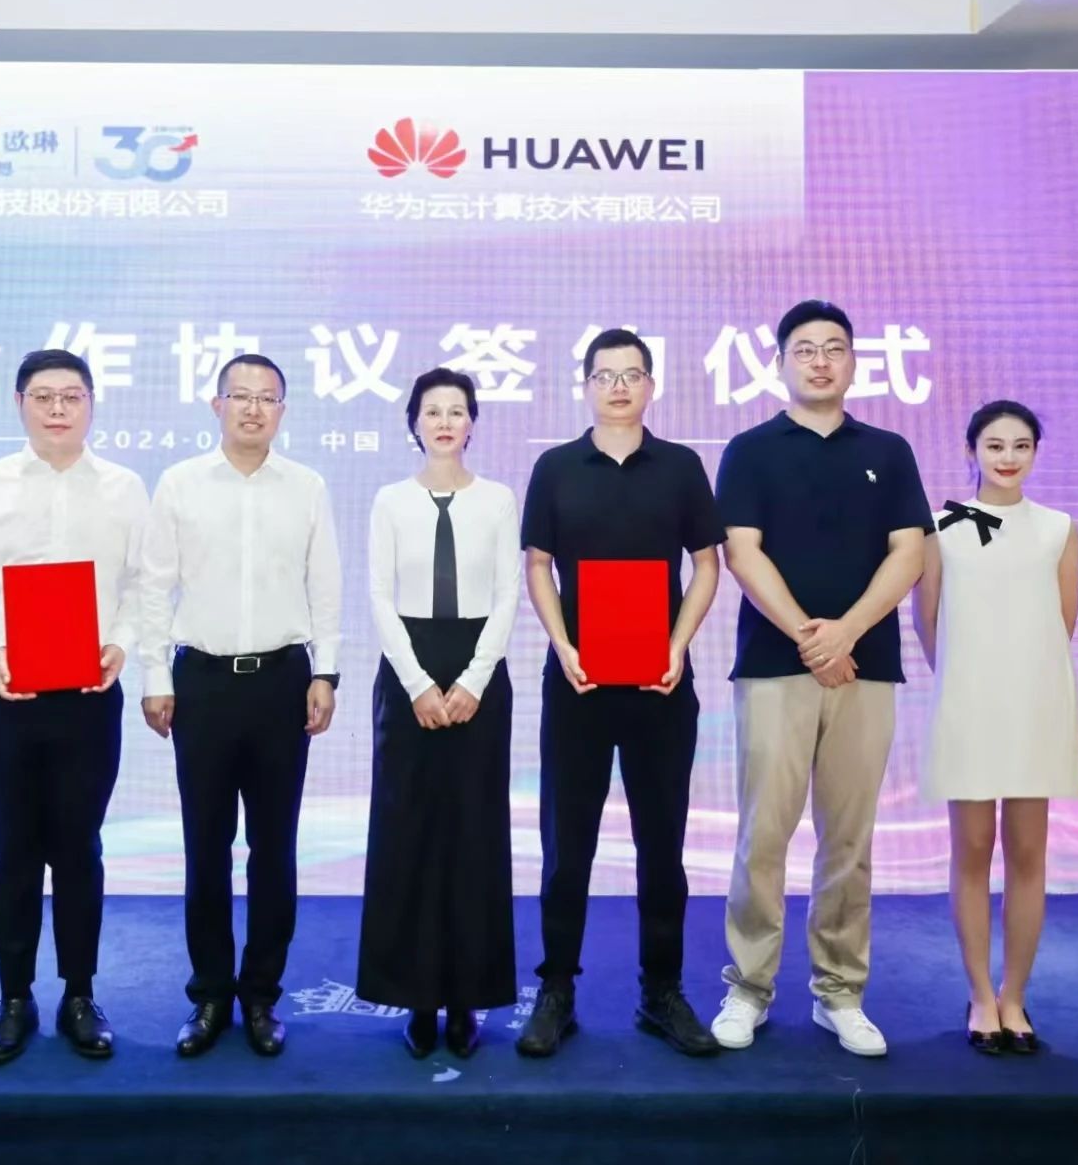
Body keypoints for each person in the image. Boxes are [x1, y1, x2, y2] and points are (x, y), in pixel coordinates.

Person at [709, 299, 932, 1059]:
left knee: (849, 839)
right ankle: (748, 986)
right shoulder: (750, 450)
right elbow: (742, 552)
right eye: (805, 349)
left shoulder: (889, 451)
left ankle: (840, 992)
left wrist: (847, 633)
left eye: (834, 348)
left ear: (853, 362)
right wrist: (812, 636)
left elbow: (909, 552)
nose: (820, 361)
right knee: (762, 835)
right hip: (775, 666)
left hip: (865, 668)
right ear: (781, 363)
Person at [0, 349, 148, 1064]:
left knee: (80, 847)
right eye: (44, 396)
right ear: (19, 403)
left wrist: (120, 642)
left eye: (72, 396)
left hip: (90, 695)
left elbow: (146, 580)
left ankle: (80, 993)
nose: (58, 409)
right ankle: (14, 996)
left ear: (92, 404)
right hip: (8, 691)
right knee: (14, 847)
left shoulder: (124, 487)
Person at [516, 329, 725, 1060]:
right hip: (577, 682)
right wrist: (562, 643)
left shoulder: (681, 466)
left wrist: (678, 644)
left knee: (661, 845)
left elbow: (707, 564)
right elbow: (538, 565)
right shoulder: (555, 467)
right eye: (604, 375)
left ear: (651, 386)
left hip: (660, 683)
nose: (618, 387)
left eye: (631, 374)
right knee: (565, 845)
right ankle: (556, 989)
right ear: (585, 386)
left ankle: (661, 991)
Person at [138, 353, 342, 1059]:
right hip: (202, 682)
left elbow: (325, 587)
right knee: (206, 846)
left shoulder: (307, 486)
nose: (254, 408)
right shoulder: (180, 483)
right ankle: (210, 994)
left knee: (274, 848)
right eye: (241, 396)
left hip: (283, 680)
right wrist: (155, 675)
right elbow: (153, 586)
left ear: (283, 410)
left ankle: (260, 994)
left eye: (268, 398)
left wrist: (327, 672)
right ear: (216, 405)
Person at [357, 368, 519, 1059]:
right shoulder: (390, 500)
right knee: (410, 833)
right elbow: (378, 595)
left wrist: (474, 681)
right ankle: (418, 996)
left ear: (472, 422)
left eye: (457, 411)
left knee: (474, 835)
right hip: (408, 672)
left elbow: (508, 594)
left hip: (479, 671)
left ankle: (465, 998)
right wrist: (420, 684)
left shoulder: (498, 499)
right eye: (433, 411)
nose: (445, 422)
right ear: (414, 424)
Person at [913, 400, 1078, 1056]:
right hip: (969, 702)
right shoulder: (941, 526)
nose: (1008, 457)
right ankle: (981, 994)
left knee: (1029, 852)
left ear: (1035, 452)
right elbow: (927, 619)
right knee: (974, 849)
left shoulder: (1058, 528)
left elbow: (1063, 619)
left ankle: (1015, 995)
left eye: (1020, 446)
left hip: (1035, 705)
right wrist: (963, 678)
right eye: (994, 445)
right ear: (972, 450)